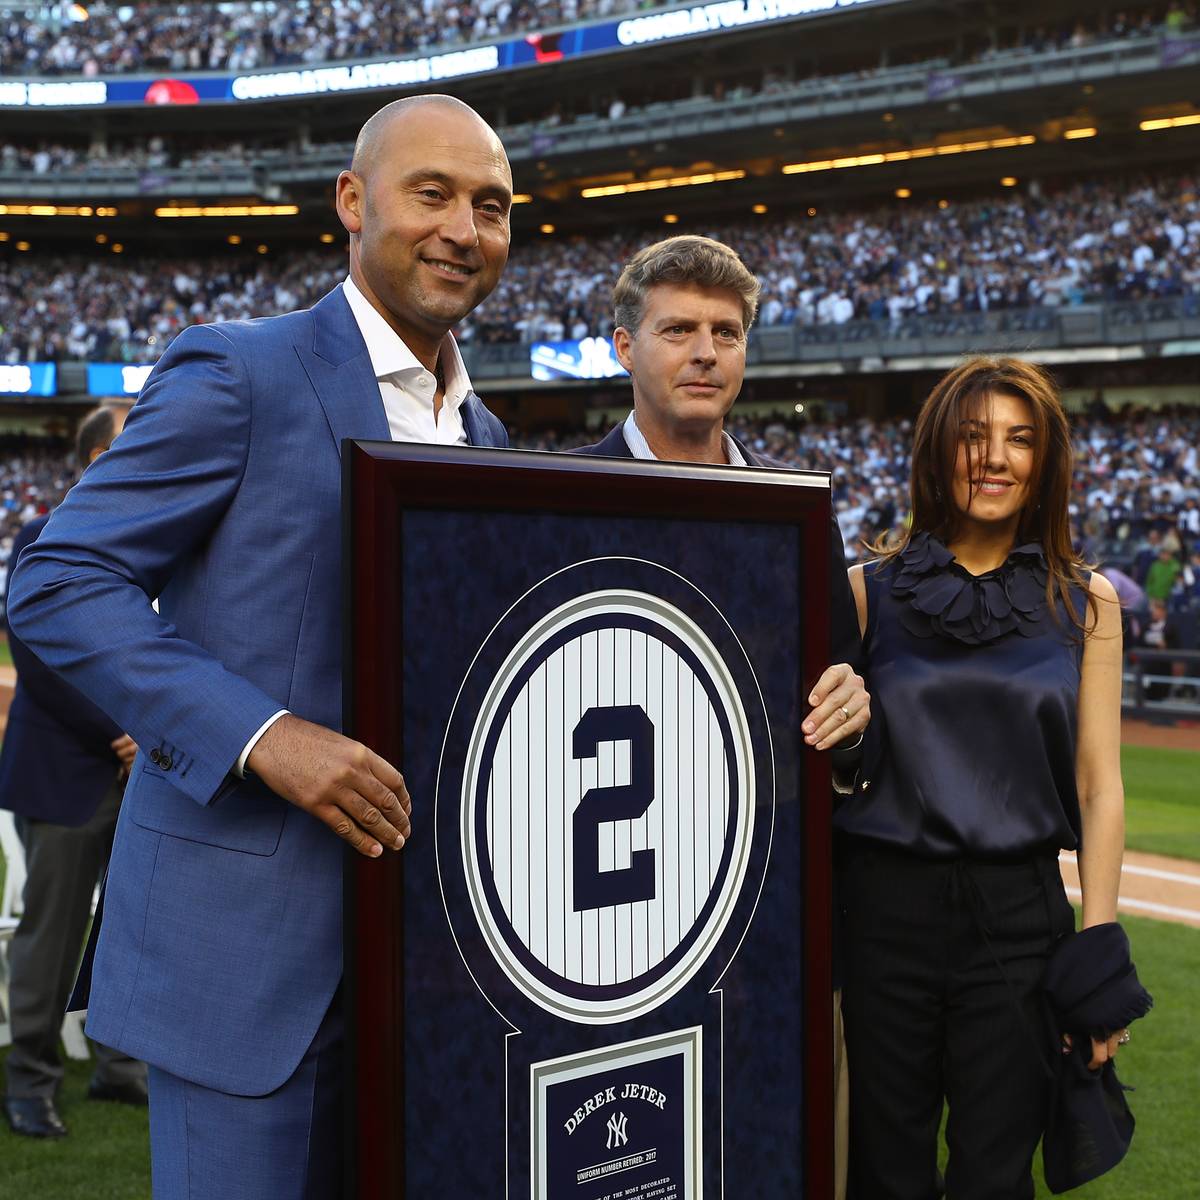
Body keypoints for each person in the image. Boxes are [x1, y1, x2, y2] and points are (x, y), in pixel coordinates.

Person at [7, 94, 513, 1197]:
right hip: (245, 962)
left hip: (433, 965)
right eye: (432, 193)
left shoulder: (487, 435)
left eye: (491, 205)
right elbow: (58, 580)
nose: (463, 229)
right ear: (352, 201)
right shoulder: (240, 370)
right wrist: (263, 734)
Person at [575, 234, 869, 1200]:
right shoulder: (555, 499)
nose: (705, 352)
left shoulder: (798, 507)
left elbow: (844, 696)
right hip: (606, 926)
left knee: (768, 1151)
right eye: (679, 331)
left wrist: (854, 719)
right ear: (625, 346)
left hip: (769, 913)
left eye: (726, 332)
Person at [835, 356, 1139, 1199]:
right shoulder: (864, 592)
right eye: (973, 436)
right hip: (882, 913)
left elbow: (1099, 787)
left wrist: (1098, 958)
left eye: (1019, 439)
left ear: (1046, 461)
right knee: (882, 1174)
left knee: (995, 1178)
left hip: (1018, 918)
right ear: (939, 452)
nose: (995, 457)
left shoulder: (1088, 602)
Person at [1, 403, 146, 1139]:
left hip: (142, 776)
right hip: (68, 773)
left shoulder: (157, 535)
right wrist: (121, 731)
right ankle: (29, 1081)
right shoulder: (43, 535)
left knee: (133, 928)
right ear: (95, 459)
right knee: (52, 936)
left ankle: (120, 1068)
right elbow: (39, 656)